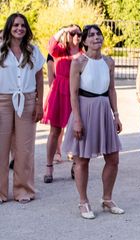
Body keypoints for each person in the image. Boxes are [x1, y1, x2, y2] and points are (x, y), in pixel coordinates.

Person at [62, 24, 123, 219]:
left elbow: (112, 89)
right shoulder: (79, 62)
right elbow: (73, 93)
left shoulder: (109, 61)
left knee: (113, 158)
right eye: (91, 35)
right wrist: (77, 120)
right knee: (82, 159)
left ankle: (107, 199)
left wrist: (116, 115)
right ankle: (83, 202)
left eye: (99, 34)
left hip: (104, 109)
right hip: (85, 110)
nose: (96, 37)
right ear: (85, 41)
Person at [0, 13, 45, 203]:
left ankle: (23, 190)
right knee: (1, 148)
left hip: (26, 101)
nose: (20, 28)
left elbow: (39, 79)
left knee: (24, 148)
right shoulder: (1, 50)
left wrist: (39, 103)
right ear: (9, 27)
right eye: (16, 25)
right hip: (2, 101)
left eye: (23, 25)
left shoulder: (33, 51)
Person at [42, 24, 82, 182]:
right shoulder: (60, 51)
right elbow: (50, 45)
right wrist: (64, 30)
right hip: (59, 92)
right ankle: (49, 166)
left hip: (76, 94)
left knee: (77, 131)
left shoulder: (83, 53)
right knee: (55, 131)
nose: (76, 36)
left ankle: (75, 165)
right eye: (73, 33)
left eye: (79, 33)